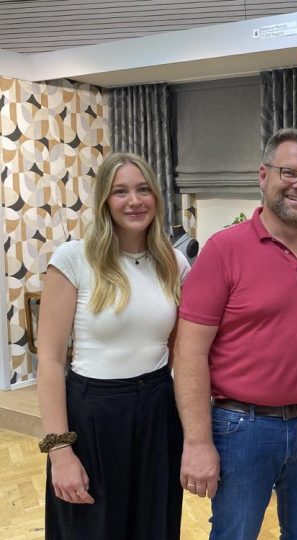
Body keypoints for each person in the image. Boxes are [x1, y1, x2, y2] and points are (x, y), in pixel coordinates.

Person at [173, 128, 297, 539]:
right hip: (241, 429)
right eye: (289, 172)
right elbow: (190, 353)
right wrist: (197, 442)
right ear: (264, 175)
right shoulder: (223, 250)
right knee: (235, 534)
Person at [36, 152, 190, 539]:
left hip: (157, 412)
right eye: (120, 191)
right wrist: (60, 451)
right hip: (93, 416)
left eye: (143, 190)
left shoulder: (174, 264)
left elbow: (177, 351)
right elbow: (50, 361)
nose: (134, 201)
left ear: (156, 196)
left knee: (153, 526)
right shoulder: (73, 259)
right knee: (89, 528)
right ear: (105, 199)